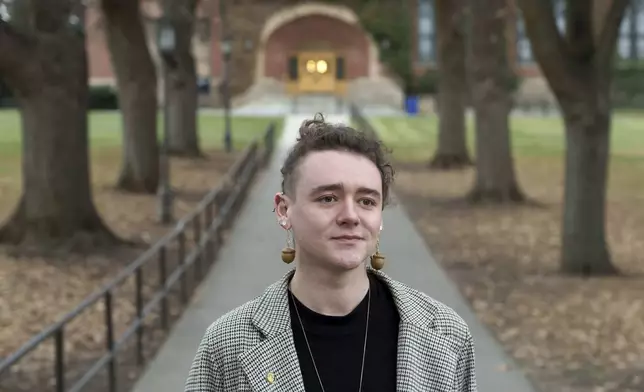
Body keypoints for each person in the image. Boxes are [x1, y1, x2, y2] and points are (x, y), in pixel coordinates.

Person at [184, 113, 477, 391]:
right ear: (284, 210)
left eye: (366, 201)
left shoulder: (446, 334)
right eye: (328, 198)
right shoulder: (227, 344)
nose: (350, 215)